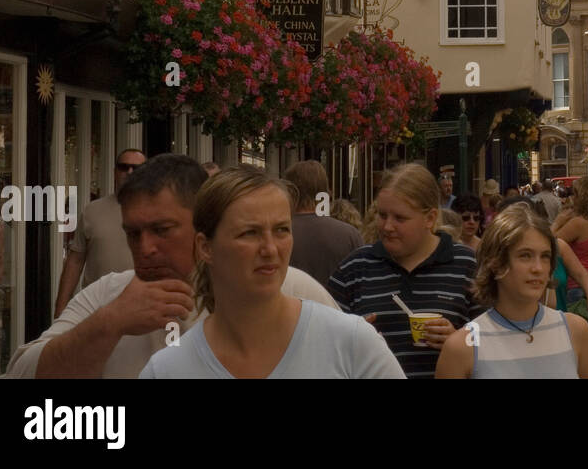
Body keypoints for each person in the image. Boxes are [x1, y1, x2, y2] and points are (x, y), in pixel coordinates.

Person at [7, 155, 334, 379]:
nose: (145, 248)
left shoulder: (286, 288)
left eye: (162, 230)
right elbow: (22, 374)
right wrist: (109, 324)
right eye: (133, 234)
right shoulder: (111, 295)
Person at [140, 168, 402, 378]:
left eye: (281, 230)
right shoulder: (167, 369)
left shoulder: (351, 344)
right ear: (205, 247)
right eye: (249, 233)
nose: (270, 249)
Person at [328, 164, 480, 378]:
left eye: (400, 218)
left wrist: (459, 341)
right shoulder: (353, 269)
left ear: (429, 218)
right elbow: (324, 346)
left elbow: (497, 342)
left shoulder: (467, 265)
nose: (387, 226)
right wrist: (351, 337)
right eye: (382, 215)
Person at [436, 204, 588, 378]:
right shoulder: (462, 347)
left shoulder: (576, 331)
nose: (538, 268)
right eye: (525, 255)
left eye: (545, 256)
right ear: (496, 263)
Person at [55, 148, 147, 316]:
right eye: (123, 167)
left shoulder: (157, 212)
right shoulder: (92, 211)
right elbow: (75, 261)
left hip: (140, 307)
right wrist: (60, 308)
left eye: (137, 168)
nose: (129, 172)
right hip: (95, 308)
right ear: (114, 172)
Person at [283, 160, 363, 297]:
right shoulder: (349, 234)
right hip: (337, 313)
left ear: (290, 192)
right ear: (325, 191)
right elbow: (361, 283)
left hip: (291, 313)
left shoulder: (279, 234)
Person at [552, 176, 588, 305]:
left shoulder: (578, 224)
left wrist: (557, 222)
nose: (572, 198)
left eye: (575, 194)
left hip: (576, 288)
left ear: (582, 197)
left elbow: (548, 244)